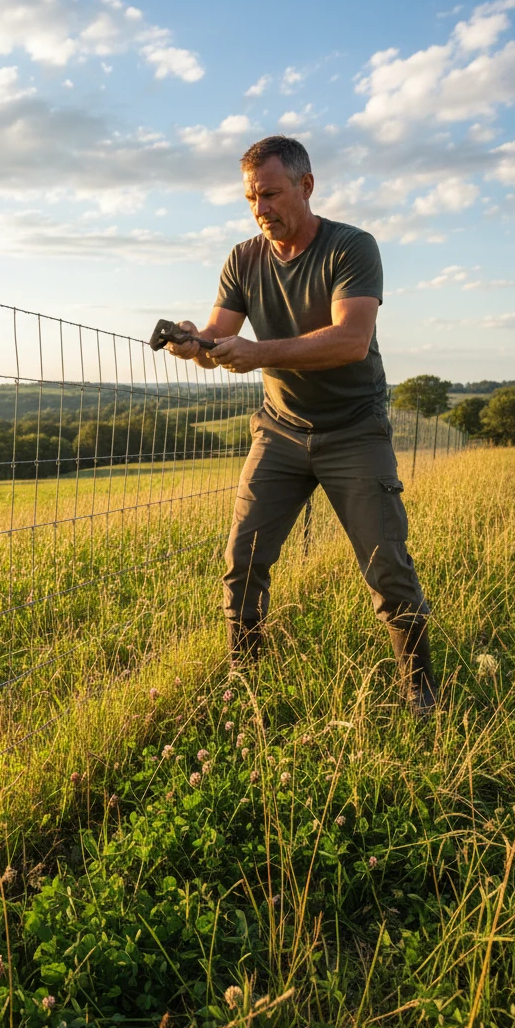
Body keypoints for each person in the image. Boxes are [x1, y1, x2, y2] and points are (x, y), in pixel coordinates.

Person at [165, 134, 437, 717]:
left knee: (386, 563)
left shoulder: (351, 248)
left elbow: (351, 339)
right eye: (250, 198)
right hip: (281, 429)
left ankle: (420, 691)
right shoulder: (244, 258)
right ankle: (245, 681)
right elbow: (219, 334)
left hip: (353, 429)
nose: (260, 208)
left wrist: (259, 353)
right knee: (244, 558)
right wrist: (193, 342)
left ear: (305, 187)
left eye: (270, 193)